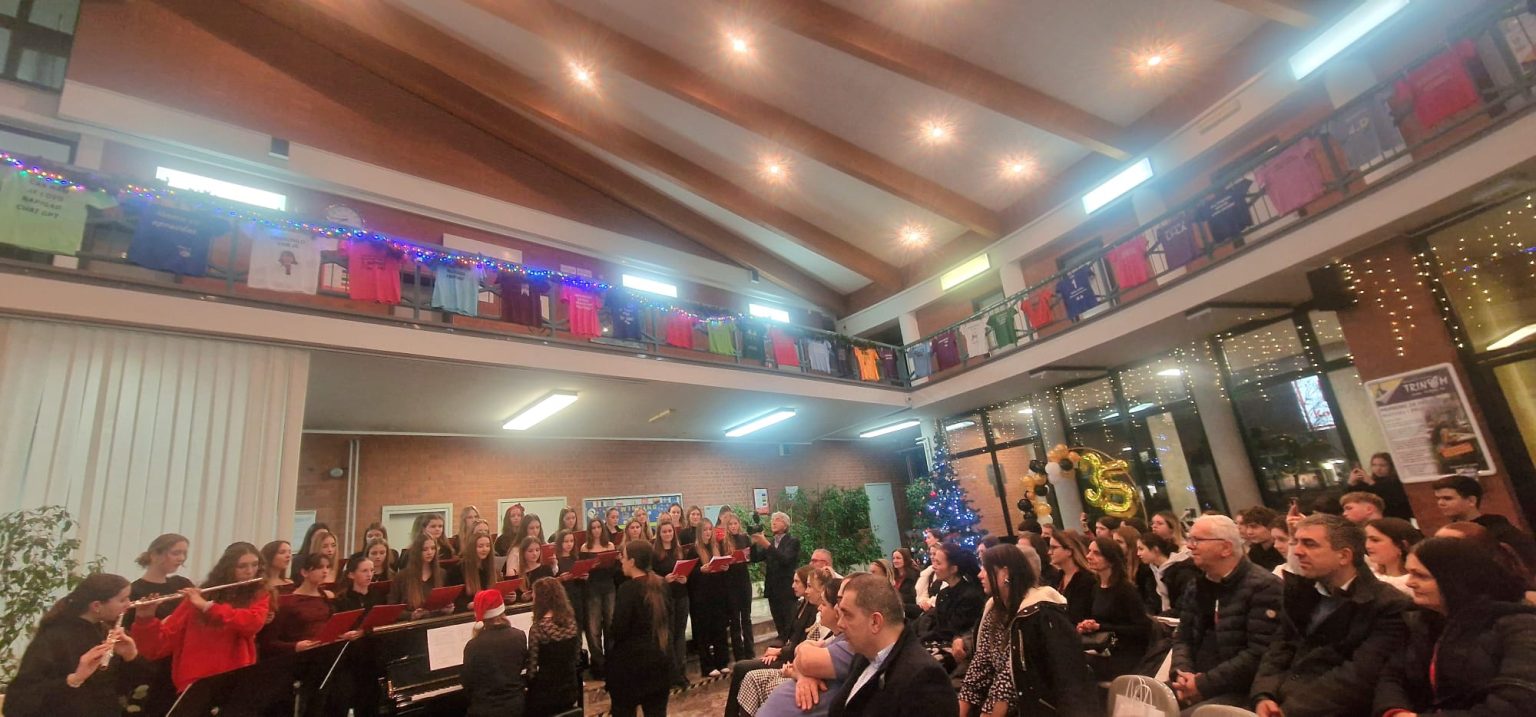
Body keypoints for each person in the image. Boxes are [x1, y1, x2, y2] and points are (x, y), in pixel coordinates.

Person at [1247, 514, 1410, 717]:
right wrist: (1263, 695)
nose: (1297, 551)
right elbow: (1280, 648)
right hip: (1282, 701)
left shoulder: (1388, 604)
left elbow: (1360, 675)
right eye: (1296, 542)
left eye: (1310, 544)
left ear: (1344, 556)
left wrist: (1288, 710)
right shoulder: (1301, 592)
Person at [1375, 537, 1536, 716]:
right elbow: (1393, 677)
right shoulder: (1423, 620)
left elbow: (1518, 703)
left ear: (1454, 580)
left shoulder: (1520, 624)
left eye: (1421, 575)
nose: (1409, 582)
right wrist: (1396, 711)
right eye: (1409, 573)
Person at [961, 543, 1096, 717]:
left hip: (1043, 706)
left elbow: (1008, 681)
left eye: (986, 569)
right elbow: (980, 666)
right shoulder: (995, 610)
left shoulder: (1040, 615)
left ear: (1005, 573)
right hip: (1013, 705)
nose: (980, 575)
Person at [1169, 515, 1283, 713]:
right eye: (1189, 539)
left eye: (1197, 540)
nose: (1189, 546)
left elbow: (1259, 653)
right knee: (1142, 701)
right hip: (1198, 678)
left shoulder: (1264, 587)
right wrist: (1182, 673)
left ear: (1226, 548)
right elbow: (1183, 637)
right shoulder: (1197, 585)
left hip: (1240, 687)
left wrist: (1202, 684)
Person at [131, 542, 272, 692]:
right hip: (195, 681)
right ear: (228, 569)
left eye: (255, 565)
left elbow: (252, 623)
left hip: (235, 678)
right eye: (242, 566)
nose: (250, 571)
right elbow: (157, 648)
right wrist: (145, 618)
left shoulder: (259, 594)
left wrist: (208, 607)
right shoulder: (199, 597)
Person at [5, 573, 138, 717]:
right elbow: (16, 703)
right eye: (122, 600)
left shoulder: (105, 632)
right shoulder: (54, 637)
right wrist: (74, 679)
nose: (128, 604)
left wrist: (130, 657)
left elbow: (123, 689)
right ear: (96, 606)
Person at [826, 573, 957, 717]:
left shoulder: (924, 678)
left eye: (847, 615)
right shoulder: (864, 657)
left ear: (875, 622)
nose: (840, 623)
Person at [735, 572, 841, 716]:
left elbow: (806, 656)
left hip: (799, 673)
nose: (820, 608)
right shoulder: (801, 606)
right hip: (795, 666)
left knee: (749, 673)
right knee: (749, 676)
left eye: (807, 585)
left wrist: (789, 661)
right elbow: (787, 636)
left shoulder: (832, 631)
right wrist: (776, 648)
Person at [121, 534, 193, 715]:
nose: (181, 558)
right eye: (176, 553)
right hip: (149, 667)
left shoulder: (182, 584)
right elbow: (128, 632)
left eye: (184, 553)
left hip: (179, 663)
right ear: (155, 555)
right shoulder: (134, 590)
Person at [608, 540, 673, 716]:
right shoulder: (662, 584)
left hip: (632, 667)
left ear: (632, 562)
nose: (621, 560)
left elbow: (618, 629)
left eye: (623, 557)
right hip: (660, 661)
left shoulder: (627, 589)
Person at [1079, 536, 1152, 680]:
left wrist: (1100, 627)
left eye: (1096, 553)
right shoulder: (1097, 587)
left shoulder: (1125, 590)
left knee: (1076, 664)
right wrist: (1089, 625)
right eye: (1089, 551)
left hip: (1126, 653)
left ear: (1111, 559)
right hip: (1105, 648)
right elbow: (1102, 620)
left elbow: (1142, 629)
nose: (1088, 556)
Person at [1432, 474, 1536, 575]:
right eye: (1438, 498)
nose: (1440, 503)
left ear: (1471, 500)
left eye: (1447, 498)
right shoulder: (1449, 533)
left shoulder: (1500, 531)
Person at [260, 553, 344, 657]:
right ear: (304, 572)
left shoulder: (324, 597)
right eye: (319, 567)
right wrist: (295, 646)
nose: (325, 571)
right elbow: (268, 641)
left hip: (324, 652)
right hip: (298, 656)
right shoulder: (287, 600)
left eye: (328, 567)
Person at [461, 589, 528, 717]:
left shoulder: (473, 645)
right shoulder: (519, 635)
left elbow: (467, 683)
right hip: (516, 707)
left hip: (485, 710)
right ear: (502, 611)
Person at [919, 543, 984, 672]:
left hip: (957, 646)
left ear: (953, 569)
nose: (934, 566)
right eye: (934, 562)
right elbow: (939, 626)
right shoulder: (943, 594)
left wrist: (921, 640)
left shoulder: (970, 596)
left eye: (938, 563)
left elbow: (951, 630)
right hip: (939, 640)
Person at [526, 577, 582, 716]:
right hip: (570, 689)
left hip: (546, 694)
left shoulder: (538, 628)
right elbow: (576, 659)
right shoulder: (571, 622)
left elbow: (532, 670)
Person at [652, 518, 692, 686]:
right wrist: (664, 579)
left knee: (680, 634)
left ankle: (681, 671)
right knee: (668, 635)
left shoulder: (679, 551)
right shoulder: (655, 554)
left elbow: (686, 570)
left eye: (670, 531)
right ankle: (671, 673)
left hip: (681, 594)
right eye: (664, 531)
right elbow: (650, 576)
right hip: (665, 597)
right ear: (659, 534)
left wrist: (684, 579)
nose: (667, 534)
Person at [751, 510, 804, 641]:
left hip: (787, 589)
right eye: (772, 520)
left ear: (785, 525)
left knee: (789, 624)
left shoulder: (793, 541)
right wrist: (753, 543)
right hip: (773, 590)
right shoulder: (770, 542)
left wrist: (767, 544)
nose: (773, 522)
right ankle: (781, 647)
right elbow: (755, 558)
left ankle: (791, 648)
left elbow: (785, 559)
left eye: (777, 520)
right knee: (779, 625)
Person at [690, 517, 732, 676]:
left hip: (717, 594)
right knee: (704, 633)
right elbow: (690, 574)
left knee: (720, 629)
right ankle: (707, 666)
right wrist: (700, 570)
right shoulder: (694, 550)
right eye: (705, 530)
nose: (708, 533)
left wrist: (724, 567)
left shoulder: (717, 547)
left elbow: (721, 573)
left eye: (709, 529)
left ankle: (722, 662)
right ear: (699, 533)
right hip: (702, 597)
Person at [581, 516, 618, 677]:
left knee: (610, 624)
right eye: (593, 528)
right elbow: (582, 571)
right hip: (592, 589)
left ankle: (611, 661)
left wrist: (612, 561)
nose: (596, 530)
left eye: (598, 527)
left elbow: (614, 571)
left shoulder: (609, 545)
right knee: (593, 627)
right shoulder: (585, 548)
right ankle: (598, 663)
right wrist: (591, 567)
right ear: (589, 531)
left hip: (608, 587)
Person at [390, 532, 451, 620]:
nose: (430, 552)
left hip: (435, 623)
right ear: (417, 551)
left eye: (433, 548)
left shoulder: (442, 574)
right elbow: (392, 609)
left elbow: (442, 603)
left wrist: (445, 609)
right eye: (425, 549)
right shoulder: (402, 577)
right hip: (412, 625)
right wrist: (411, 615)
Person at [720, 511, 756, 661]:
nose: (733, 526)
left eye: (735, 523)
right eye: (731, 524)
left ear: (739, 524)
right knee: (735, 619)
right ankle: (739, 655)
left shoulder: (744, 538)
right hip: (730, 583)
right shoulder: (723, 542)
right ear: (727, 526)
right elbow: (720, 561)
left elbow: (752, 557)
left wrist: (747, 556)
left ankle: (750, 652)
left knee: (746, 618)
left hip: (744, 581)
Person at [1137, 532, 1196, 615]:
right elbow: (1152, 602)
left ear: (1155, 549)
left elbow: (1184, 604)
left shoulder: (1183, 570)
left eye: (1141, 549)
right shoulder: (1151, 571)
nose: (1138, 553)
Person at [1365, 517, 1423, 595]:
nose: (1367, 545)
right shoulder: (1367, 574)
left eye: (1375, 540)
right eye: (1366, 539)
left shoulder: (1411, 584)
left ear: (1401, 545)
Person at [1348, 452, 1413, 520]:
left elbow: (1391, 499)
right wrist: (1351, 483)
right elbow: (1355, 498)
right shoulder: (1369, 482)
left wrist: (1371, 482)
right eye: (1374, 465)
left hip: (1395, 518)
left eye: (1382, 465)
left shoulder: (1397, 481)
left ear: (1391, 466)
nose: (1378, 468)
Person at [1047, 530, 1095, 622]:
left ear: (1069, 551)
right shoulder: (1057, 578)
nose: (1049, 552)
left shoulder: (1086, 580)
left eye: (1054, 547)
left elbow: (1079, 614)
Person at [451, 532, 497, 609]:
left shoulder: (489, 567)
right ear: (472, 548)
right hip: (467, 613)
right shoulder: (459, 569)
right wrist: (468, 605)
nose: (485, 549)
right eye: (480, 546)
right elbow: (454, 599)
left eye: (488, 546)